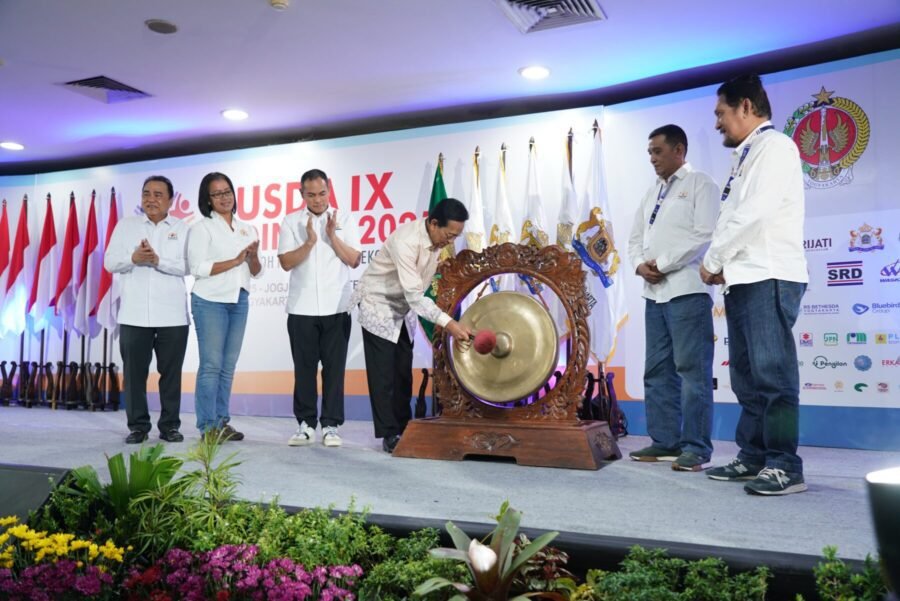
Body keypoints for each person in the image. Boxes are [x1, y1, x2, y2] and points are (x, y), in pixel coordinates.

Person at [701, 74, 808, 495]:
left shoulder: (775, 147)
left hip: (769, 274)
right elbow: (736, 217)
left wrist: (713, 260)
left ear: (746, 106)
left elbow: (755, 214)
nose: (717, 123)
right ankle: (754, 456)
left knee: (772, 375)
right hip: (743, 278)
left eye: (721, 113)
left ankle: (785, 465)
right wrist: (725, 265)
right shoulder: (746, 155)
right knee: (746, 377)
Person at [627, 124, 720, 471]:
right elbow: (634, 239)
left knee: (692, 373)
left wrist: (662, 263)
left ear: (679, 150)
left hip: (686, 291)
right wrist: (639, 265)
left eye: (658, 151)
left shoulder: (701, 184)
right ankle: (665, 441)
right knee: (656, 371)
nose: (652, 159)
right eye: (649, 153)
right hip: (654, 294)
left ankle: (696, 447)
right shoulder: (651, 192)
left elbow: (705, 235)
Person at [352, 198, 473, 453]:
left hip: (403, 307)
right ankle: (389, 434)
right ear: (434, 223)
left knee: (403, 372)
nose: (451, 241)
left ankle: (404, 427)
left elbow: (418, 282)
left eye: (456, 236)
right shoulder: (406, 241)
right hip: (378, 303)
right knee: (383, 374)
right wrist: (449, 324)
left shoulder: (436, 240)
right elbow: (416, 297)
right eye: (449, 235)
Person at [278, 169, 361, 447]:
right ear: (302, 194)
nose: (317, 200)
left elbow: (354, 260)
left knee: (334, 370)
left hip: (336, 307)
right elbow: (286, 262)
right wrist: (310, 242)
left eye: (322, 193)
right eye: (311, 195)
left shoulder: (344, 218)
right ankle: (305, 424)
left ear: (329, 190)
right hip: (301, 308)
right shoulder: (291, 221)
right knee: (304, 370)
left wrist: (331, 237)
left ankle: (331, 425)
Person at [104, 175, 190, 444]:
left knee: (171, 375)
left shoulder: (183, 228)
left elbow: (189, 266)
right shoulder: (126, 226)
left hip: (172, 315)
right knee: (134, 375)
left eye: (158, 194)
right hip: (134, 314)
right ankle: (138, 426)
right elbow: (109, 262)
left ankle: (170, 426)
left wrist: (157, 261)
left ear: (171, 200)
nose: (151, 199)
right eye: (146, 194)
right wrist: (133, 258)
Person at [187, 172, 263, 441]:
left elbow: (256, 271)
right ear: (208, 199)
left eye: (227, 191)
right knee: (211, 366)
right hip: (210, 301)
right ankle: (207, 427)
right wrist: (235, 261)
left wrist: (252, 258)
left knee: (228, 367)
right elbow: (197, 267)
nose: (224, 197)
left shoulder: (248, 229)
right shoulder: (201, 228)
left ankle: (221, 422)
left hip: (238, 300)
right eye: (217, 194)